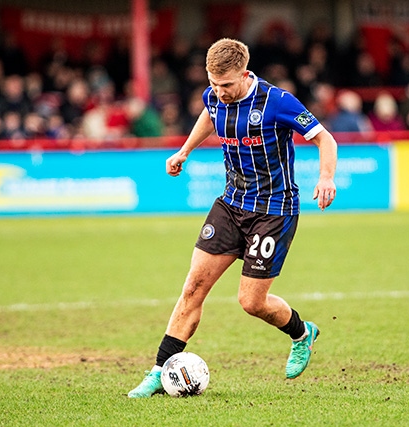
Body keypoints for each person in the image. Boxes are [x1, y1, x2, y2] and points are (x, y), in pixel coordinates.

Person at [127, 38, 337, 398]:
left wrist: (326, 177)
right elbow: (210, 114)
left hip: (273, 210)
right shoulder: (213, 96)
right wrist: (185, 150)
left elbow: (325, 139)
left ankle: (303, 333)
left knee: (251, 302)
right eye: (213, 84)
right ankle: (160, 371)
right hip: (231, 204)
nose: (219, 92)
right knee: (193, 288)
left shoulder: (278, 101)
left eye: (226, 85)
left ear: (244, 72)